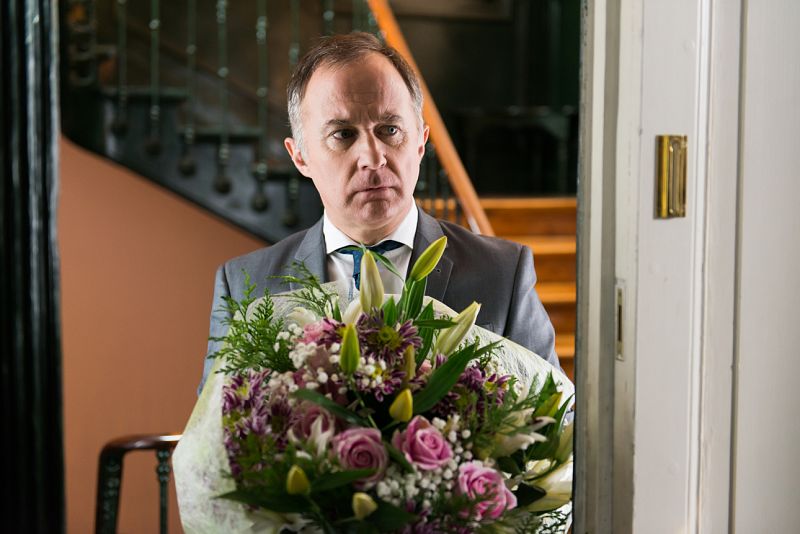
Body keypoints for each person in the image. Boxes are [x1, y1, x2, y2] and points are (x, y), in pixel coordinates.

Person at [199, 32, 560, 391]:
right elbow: (220, 423)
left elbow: (554, 414)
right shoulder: (243, 286)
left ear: (420, 141)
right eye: (343, 134)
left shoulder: (502, 274)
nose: (373, 157)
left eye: (389, 129)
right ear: (300, 157)